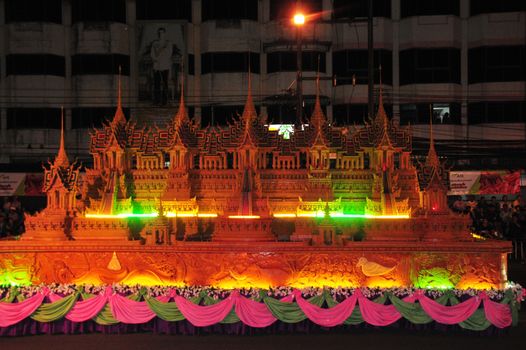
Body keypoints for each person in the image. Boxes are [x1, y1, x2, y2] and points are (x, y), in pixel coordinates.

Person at [150, 27, 173, 106]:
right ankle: (156, 100)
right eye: (159, 33)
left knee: (165, 84)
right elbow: (152, 55)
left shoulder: (168, 44)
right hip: (157, 67)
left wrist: (161, 54)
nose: (161, 34)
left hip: (165, 66)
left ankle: (164, 101)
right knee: (157, 84)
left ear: (165, 33)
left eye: (162, 33)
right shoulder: (155, 43)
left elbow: (169, 54)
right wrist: (156, 58)